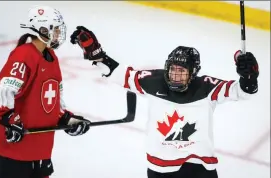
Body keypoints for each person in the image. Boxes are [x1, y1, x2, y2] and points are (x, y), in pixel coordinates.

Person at [70, 26, 259, 178]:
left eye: (182, 71)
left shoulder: (207, 88)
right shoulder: (153, 81)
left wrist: (249, 77)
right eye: (173, 69)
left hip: (200, 167)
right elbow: (120, 74)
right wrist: (96, 53)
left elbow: (243, 92)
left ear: (193, 73)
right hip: (160, 169)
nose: (175, 76)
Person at [0, 7, 91, 178]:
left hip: (40, 149)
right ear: (43, 30)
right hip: (15, 150)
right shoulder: (24, 55)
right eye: (56, 29)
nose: (59, 33)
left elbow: (52, 102)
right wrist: (8, 119)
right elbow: (0, 92)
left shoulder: (51, 56)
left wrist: (66, 119)